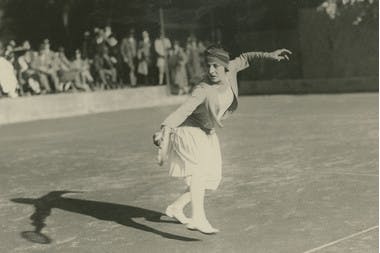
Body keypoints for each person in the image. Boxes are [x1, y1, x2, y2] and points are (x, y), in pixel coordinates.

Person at [153, 45, 292, 234]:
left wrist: (270, 55)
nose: (211, 70)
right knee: (199, 172)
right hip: (188, 129)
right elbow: (183, 110)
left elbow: (247, 55)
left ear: (225, 66)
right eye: (208, 65)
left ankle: (176, 207)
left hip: (207, 131)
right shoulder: (203, 88)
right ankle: (198, 218)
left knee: (211, 178)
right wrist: (165, 128)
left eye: (215, 66)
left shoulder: (232, 68)